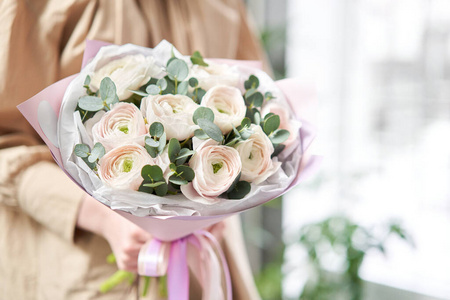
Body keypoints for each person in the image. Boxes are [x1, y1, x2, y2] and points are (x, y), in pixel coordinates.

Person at [0, 0, 267, 299]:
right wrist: (104, 220)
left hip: (205, 263)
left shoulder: (222, 6)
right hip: (81, 265)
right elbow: (6, 144)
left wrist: (219, 208)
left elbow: (256, 109)